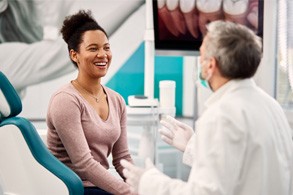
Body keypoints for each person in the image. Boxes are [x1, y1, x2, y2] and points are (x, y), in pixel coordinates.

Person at [121, 21, 293, 195]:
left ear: (211, 65)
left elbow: (205, 192)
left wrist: (149, 183)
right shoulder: (271, 106)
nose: (199, 62)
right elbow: (243, 166)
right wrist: (192, 145)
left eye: (201, 55)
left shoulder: (220, 115)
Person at [46, 10, 135, 195]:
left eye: (106, 47)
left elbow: (122, 158)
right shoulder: (65, 100)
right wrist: (128, 192)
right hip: (72, 188)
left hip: (98, 186)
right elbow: (84, 164)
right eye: (93, 48)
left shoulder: (116, 100)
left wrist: (143, 184)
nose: (102, 54)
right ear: (74, 55)